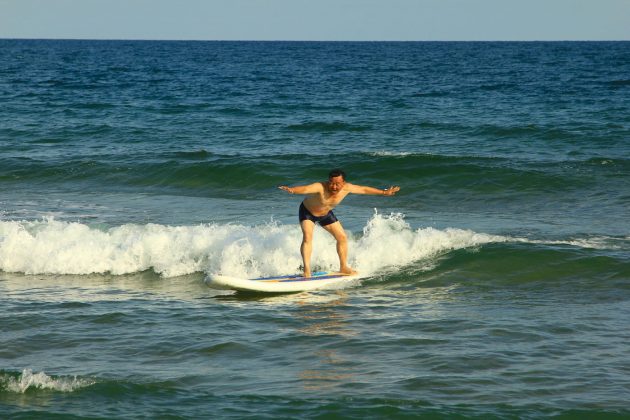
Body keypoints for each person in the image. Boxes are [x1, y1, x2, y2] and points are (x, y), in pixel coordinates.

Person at [279, 169, 400, 277]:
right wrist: (293, 190)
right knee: (307, 237)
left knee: (342, 237)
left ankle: (343, 267)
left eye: (338, 184)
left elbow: (363, 189)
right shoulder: (320, 187)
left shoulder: (347, 187)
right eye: (332, 183)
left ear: (343, 182)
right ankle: (307, 271)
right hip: (307, 212)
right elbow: (305, 189)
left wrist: (384, 193)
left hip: (325, 214)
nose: (334, 187)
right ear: (328, 181)